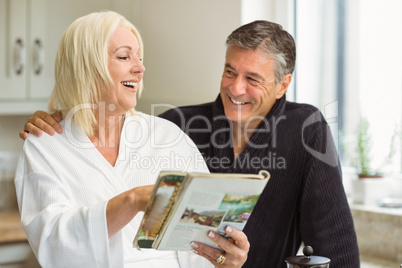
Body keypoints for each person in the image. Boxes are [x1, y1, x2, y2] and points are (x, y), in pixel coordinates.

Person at [19, 20, 360, 267]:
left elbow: (333, 239)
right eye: (229, 71)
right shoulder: (176, 125)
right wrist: (57, 119)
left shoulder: (306, 129)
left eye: (252, 78)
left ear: (283, 85)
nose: (235, 88)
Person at [15, 11, 250, 268]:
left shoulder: (168, 136)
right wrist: (132, 201)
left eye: (139, 57)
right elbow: (53, 245)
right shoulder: (46, 146)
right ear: (86, 67)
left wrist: (225, 258)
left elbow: (203, 244)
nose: (140, 68)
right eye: (124, 56)